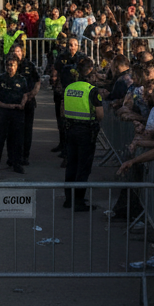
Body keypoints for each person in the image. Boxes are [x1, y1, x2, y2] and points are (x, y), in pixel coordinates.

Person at [61, 59, 105, 210]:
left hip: (70, 130)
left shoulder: (69, 88)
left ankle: (69, 199)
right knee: (83, 167)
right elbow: (100, 115)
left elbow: (62, 110)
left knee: (71, 165)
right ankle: (78, 201)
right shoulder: (92, 90)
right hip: (86, 132)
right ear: (90, 72)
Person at [0, 55, 29, 179]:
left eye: (13, 65)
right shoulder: (1, 79)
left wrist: (23, 103)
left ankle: (16, 163)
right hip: (5, 113)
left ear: (17, 66)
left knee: (17, 140)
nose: (10, 67)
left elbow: (25, 94)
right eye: (8, 65)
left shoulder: (21, 80)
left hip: (17, 113)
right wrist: (6, 105)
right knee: (0, 140)